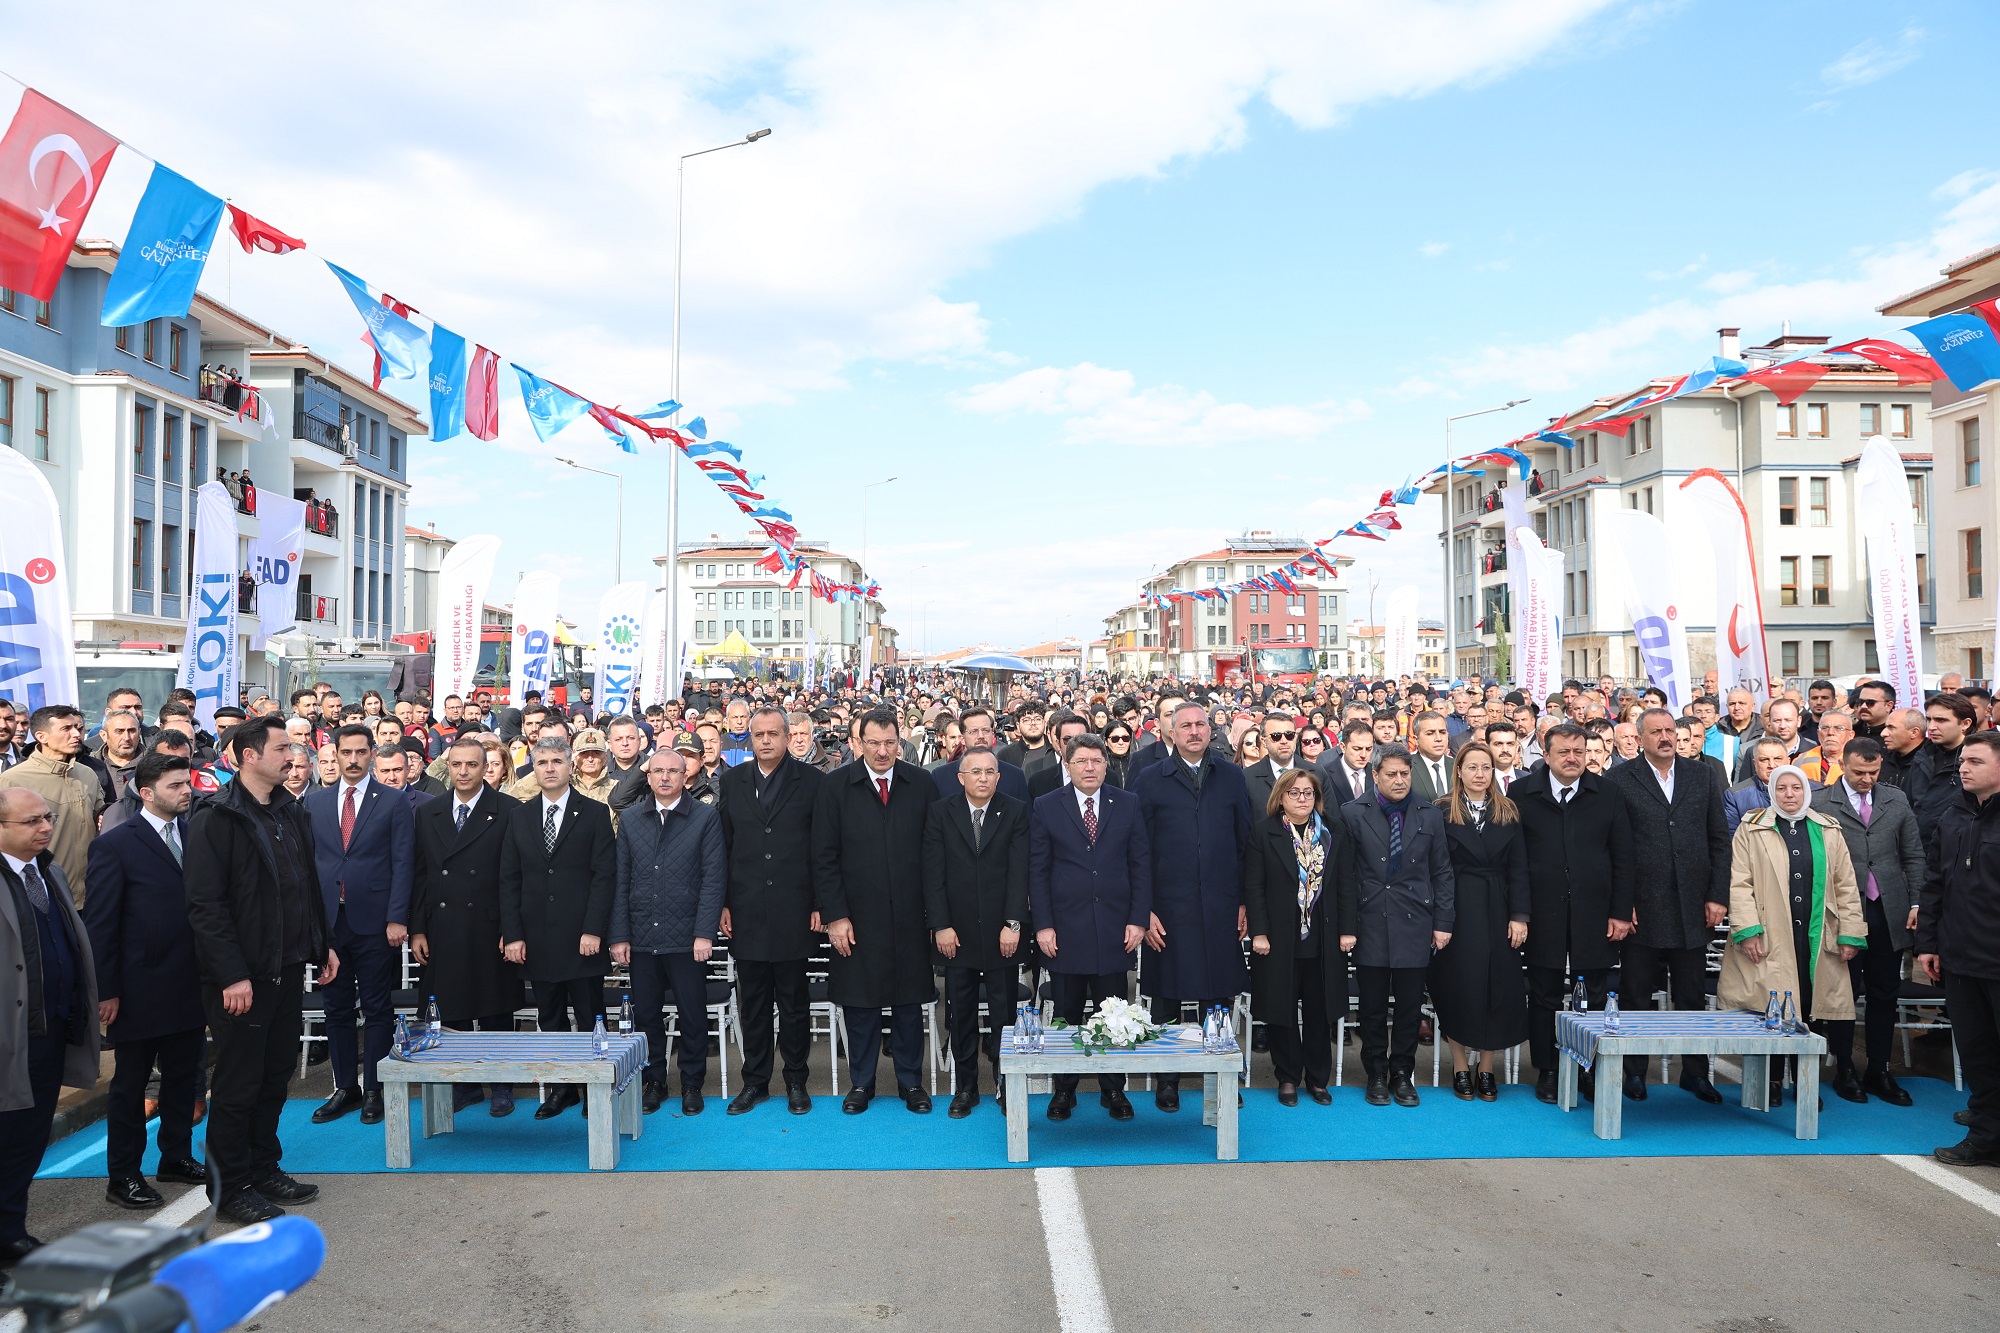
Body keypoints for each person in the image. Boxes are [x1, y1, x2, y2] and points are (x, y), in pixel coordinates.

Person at [182, 715, 334, 1224]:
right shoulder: (216, 817)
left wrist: (322, 945)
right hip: (242, 976)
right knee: (238, 1081)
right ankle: (229, 1187)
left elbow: (306, 886)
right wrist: (231, 974)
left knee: (274, 1075)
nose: (292, 756)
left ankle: (264, 1167)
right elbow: (206, 906)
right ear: (248, 755)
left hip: (287, 967)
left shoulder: (290, 812)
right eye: (281, 748)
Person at [82, 752, 209, 1212]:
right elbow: (100, 925)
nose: (187, 791)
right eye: (176, 786)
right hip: (137, 990)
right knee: (131, 1087)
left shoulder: (195, 835)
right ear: (147, 792)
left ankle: (175, 1156)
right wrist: (108, 989)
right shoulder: (116, 845)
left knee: (183, 1077)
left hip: (188, 983)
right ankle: (124, 1174)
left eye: (187, 782)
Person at [813, 706, 942, 1113]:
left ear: (900, 741)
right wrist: (835, 915)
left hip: (909, 915)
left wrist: (934, 917)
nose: (883, 751)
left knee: (907, 1004)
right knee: (860, 1004)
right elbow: (824, 856)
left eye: (890, 743)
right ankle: (862, 1084)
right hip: (855, 918)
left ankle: (911, 1084)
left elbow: (934, 852)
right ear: (858, 743)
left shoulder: (920, 783)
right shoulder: (835, 786)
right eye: (874, 743)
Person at [1131, 701, 1252, 1113]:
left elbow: (1244, 843)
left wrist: (1242, 902)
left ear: (1210, 730)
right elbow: (1137, 850)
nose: (1195, 731)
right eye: (1186, 725)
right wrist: (1142, 910)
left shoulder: (1231, 776)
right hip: (1167, 907)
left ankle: (1219, 1075)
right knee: (1167, 996)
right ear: (1171, 731)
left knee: (1216, 995)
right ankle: (1168, 1081)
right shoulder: (1149, 779)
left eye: (1201, 724)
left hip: (1220, 904)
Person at [1719, 766, 1865, 1106]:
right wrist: (1747, 930)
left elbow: (1846, 886)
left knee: (1812, 1009)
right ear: (1772, 791)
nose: (1789, 794)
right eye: (1781, 788)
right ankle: (1769, 1080)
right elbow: (1740, 884)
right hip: (1771, 936)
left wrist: (1850, 933)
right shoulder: (1752, 828)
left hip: (1815, 937)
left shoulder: (1827, 830)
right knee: (1770, 1008)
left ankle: (1805, 1083)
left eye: (1795, 788)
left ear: (1806, 792)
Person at [1607, 708, 1730, 1104]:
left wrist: (1717, 895)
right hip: (1643, 908)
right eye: (1655, 731)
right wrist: (1623, 903)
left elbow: (1718, 839)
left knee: (1691, 996)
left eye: (1670, 730)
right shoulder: (1620, 778)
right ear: (1639, 738)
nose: (1665, 737)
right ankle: (1634, 1073)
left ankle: (1695, 1074)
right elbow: (1613, 847)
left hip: (1693, 906)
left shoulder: (1702, 776)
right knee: (1636, 994)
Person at [0, 788, 101, 1263]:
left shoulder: (49, 872)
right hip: (8, 1039)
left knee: (27, 1138)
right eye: (32, 822)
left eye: (48, 817)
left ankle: (10, 1232)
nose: (46, 827)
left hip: (50, 1032)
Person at [1029, 733, 1150, 1122]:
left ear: (1106, 765)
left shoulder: (1127, 803)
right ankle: (1063, 1091)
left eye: (1097, 761)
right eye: (1081, 761)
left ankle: (1114, 1090)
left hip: (1117, 931)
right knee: (1066, 1015)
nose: (1090, 768)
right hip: (1065, 932)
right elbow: (1039, 871)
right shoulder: (1047, 806)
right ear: (1068, 765)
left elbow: (1140, 866)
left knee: (1114, 1016)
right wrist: (1043, 926)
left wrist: (1138, 919)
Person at [302, 723, 416, 1127]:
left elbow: (404, 864)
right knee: (336, 1009)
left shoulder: (392, 802)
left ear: (372, 754)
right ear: (333, 755)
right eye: (344, 753)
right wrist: (314, 925)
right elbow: (308, 868)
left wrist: (396, 917)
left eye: (359, 752)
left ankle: (375, 1089)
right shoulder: (315, 803)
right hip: (331, 924)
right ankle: (345, 1086)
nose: (352, 760)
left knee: (377, 1007)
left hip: (375, 922)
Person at [1514, 722, 1633, 1103]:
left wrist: (1619, 912)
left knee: (1593, 995)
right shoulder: (1521, 794)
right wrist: (1519, 912)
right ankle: (1547, 1070)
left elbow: (1623, 859)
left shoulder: (1608, 794)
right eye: (1563, 752)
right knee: (1544, 993)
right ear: (1545, 755)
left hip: (1594, 913)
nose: (1572, 758)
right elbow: (1514, 861)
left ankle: (1588, 1068)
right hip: (1542, 913)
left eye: (1579, 752)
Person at [499, 736, 617, 1120]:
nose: (549, 768)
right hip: (536, 939)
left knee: (589, 1016)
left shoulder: (596, 814)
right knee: (549, 1019)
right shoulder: (519, 816)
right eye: (541, 761)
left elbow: (604, 878)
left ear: (571, 766)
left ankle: (594, 1086)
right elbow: (509, 879)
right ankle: (560, 1089)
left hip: (582, 937)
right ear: (533, 768)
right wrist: (513, 933)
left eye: (556, 761)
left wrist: (594, 929)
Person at [410, 736, 525, 1118]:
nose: (463, 772)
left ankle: (501, 1086)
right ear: (448, 766)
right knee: (452, 1010)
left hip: (490, 926)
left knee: (496, 1010)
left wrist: (514, 929)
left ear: (486, 767)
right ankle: (463, 1084)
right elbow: (420, 873)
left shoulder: (508, 809)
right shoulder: (429, 811)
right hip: (442, 925)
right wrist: (418, 929)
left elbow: (515, 875)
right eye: (456, 764)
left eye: (472, 765)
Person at [718, 707, 824, 1116]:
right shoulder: (733, 780)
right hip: (745, 910)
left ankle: (796, 1081)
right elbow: (725, 847)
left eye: (773, 734)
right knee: (754, 1004)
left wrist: (819, 904)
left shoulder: (813, 782)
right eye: (758, 733)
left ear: (787, 737)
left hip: (795, 910)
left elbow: (821, 849)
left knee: (795, 1003)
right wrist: (723, 902)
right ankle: (755, 1082)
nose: (764, 740)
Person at [612, 747, 727, 1116]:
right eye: (658, 771)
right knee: (646, 1016)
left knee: (693, 1015)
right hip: (642, 935)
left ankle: (692, 1084)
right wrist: (619, 935)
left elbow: (714, 880)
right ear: (648, 776)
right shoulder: (630, 820)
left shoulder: (706, 817)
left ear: (685, 776)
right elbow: (620, 880)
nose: (664, 777)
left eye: (672, 771)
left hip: (688, 937)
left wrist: (704, 933)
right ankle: (654, 1081)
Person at [1810, 738, 1924, 1106]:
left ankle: (1879, 1068)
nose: (1866, 779)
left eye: (1874, 773)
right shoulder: (1820, 802)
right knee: (1843, 993)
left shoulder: (1895, 799)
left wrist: (1917, 901)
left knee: (1884, 991)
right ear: (1843, 764)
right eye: (1859, 771)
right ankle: (1844, 1068)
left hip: (1887, 908)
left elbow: (1913, 854)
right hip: (1843, 911)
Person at [1340, 746, 1452, 1108]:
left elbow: (1442, 872)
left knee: (1408, 1006)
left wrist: (1443, 922)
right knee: (1371, 1006)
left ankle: (1402, 1073)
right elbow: (1345, 875)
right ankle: (1375, 1072)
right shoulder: (1352, 813)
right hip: (1370, 919)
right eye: (1391, 774)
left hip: (1415, 921)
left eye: (1404, 773)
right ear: (1375, 776)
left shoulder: (1429, 814)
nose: (1399, 780)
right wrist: (1348, 924)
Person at [923, 745, 1029, 1117]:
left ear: (999, 777)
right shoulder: (940, 813)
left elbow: (1021, 873)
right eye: (975, 772)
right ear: (960, 778)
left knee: (1004, 1014)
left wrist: (1013, 923)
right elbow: (932, 876)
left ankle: (1004, 1083)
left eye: (990, 772)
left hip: (1004, 933)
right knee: (960, 1013)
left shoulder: (1015, 811)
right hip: (957, 934)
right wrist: (941, 926)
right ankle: (966, 1087)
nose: (983, 778)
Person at [1244, 768, 1355, 1106]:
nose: (1302, 798)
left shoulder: (1333, 832)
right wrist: (1259, 932)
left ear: (1317, 798)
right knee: (1282, 1010)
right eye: (1295, 793)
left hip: (1324, 938)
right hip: (1279, 938)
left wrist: (1349, 929)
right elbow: (1254, 886)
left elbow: (1347, 884)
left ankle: (1318, 1080)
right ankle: (1288, 1077)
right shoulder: (1264, 833)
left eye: (1308, 793)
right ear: (1281, 797)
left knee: (1320, 1011)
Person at [1426, 741, 1529, 1102]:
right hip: (1457, 909)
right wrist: (1440, 918)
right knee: (1459, 987)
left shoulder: (1509, 811)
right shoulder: (1440, 810)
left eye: (1486, 768)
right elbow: (1436, 870)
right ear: (1459, 771)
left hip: (1499, 908)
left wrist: (1519, 916)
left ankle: (1486, 1067)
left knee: (1496, 988)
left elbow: (1519, 868)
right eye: (1472, 767)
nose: (1480, 775)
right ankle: (1459, 1066)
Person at [1917, 730, 2000, 1167]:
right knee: (1978, 1053)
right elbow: (1934, 883)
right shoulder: (1955, 815)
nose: (1964, 768)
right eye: (1963, 761)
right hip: (1961, 958)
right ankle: (1986, 1133)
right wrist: (1927, 942)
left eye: (1976, 762)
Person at [0, 705, 105, 907]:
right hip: (42, 895)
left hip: (93, 894)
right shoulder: (12, 781)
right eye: (66, 729)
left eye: (76, 727)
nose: (76, 734)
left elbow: (100, 816)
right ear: (42, 736)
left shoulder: (87, 774)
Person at [935, 707, 1028, 802]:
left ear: (993, 735)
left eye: (986, 730)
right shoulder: (941, 776)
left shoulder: (1015, 776)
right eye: (973, 731)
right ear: (962, 739)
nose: (981, 736)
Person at [1725, 737, 1790, 835]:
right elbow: (1732, 837)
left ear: (1788, 761)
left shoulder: (1809, 790)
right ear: (1755, 764)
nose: (1771, 765)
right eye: (1764, 760)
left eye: (1778, 759)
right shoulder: (1735, 796)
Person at [1242, 712, 1302, 815]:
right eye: (1276, 736)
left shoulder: (1316, 773)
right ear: (1263, 741)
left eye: (1289, 735)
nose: (1284, 741)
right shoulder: (1246, 778)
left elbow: (1331, 822)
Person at [1321, 719, 1376, 810]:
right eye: (1357, 749)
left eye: (1368, 749)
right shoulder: (1324, 774)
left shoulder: (1378, 774)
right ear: (1343, 747)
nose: (1363, 755)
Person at [1406, 710, 1454, 804]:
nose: (1438, 738)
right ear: (1416, 740)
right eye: (1430, 733)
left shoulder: (1458, 766)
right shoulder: (1407, 767)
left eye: (1442, 732)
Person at [999, 701, 1056, 776]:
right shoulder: (1006, 755)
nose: (1033, 723)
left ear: (1044, 723)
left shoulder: (1056, 750)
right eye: (1026, 720)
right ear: (1018, 726)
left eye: (1037, 719)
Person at [1798, 710, 1854, 787]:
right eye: (1825, 728)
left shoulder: (1859, 762)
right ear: (1818, 734)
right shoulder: (1800, 760)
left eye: (1838, 728)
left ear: (1851, 735)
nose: (1830, 732)